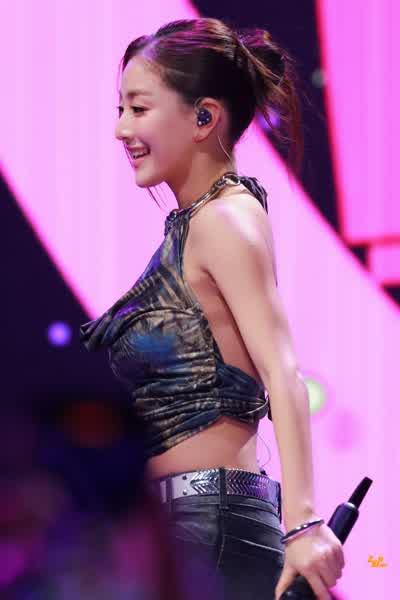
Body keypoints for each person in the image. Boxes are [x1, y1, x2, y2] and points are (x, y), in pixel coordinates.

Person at [80, 17, 345, 600]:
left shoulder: (225, 219)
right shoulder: (197, 223)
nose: (121, 128)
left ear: (204, 117)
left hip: (210, 529)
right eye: (121, 109)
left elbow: (281, 371)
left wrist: (304, 524)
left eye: (138, 108)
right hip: (182, 528)